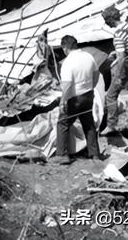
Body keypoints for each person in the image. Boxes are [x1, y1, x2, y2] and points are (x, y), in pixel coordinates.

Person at [53, 35, 100, 165]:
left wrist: (63, 101)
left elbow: (67, 85)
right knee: (88, 124)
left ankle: (62, 154)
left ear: (65, 47)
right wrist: (91, 87)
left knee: (63, 123)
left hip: (74, 98)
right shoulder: (88, 57)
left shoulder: (68, 62)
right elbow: (96, 74)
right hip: (88, 94)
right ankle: (94, 154)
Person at [101, 6, 128, 135]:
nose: (105, 23)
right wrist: (116, 52)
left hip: (126, 67)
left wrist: (118, 77)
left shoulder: (118, 35)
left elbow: (121, 59)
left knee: (110, 96)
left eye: (106, 20)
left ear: (110, 20)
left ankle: (111, 124)